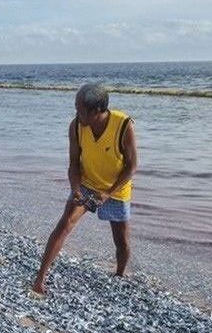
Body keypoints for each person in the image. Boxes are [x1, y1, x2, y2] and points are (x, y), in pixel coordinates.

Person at [32, 83, 139, 295]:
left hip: (115, 189)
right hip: (87, 184)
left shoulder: (124, 125)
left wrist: (109, 192)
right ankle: (40, 279)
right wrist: (76, 188)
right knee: (64, 224)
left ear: (96, 110)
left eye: (79, 109)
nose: (76, 113)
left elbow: (132, 166)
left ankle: (119, 274)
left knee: (121, 240)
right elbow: (74, 164)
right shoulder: (76, 126)